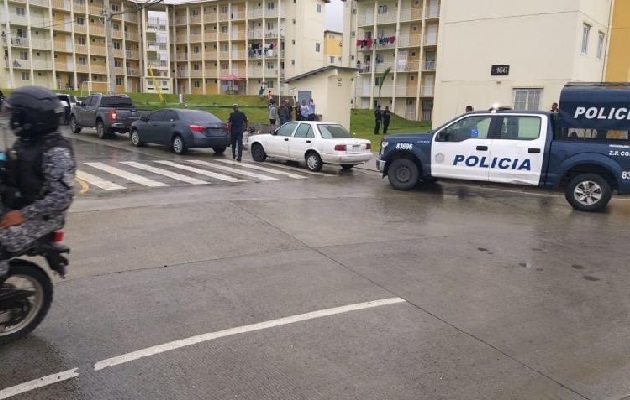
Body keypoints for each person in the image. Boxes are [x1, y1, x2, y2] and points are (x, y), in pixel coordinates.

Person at [0, 85, 76, 281]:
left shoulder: (56, 151)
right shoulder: (28, 140)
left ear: (29, 118)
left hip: (41, 218)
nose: (11, 119)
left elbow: (61, 197)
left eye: (15, 115)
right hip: (18, 204)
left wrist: (22, 215)